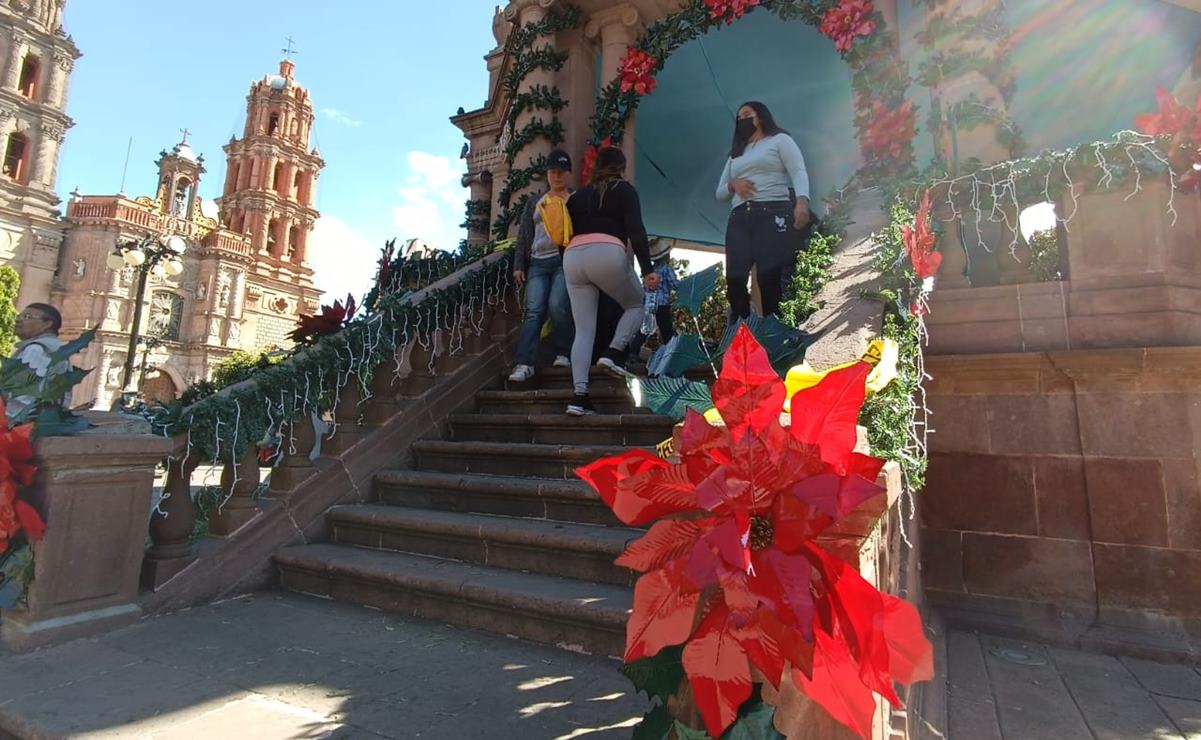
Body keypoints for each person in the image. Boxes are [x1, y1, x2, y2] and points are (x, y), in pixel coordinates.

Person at [563, 147, 658, 416]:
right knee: (637, 304)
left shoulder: (575, 197)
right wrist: (648, 269)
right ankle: (614, 353)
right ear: (621, 167)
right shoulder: (624, 190)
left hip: (572, 258)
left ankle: (579, 396)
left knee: (583, 331)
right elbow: (636, 231)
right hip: (606, 252)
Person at [716, 101, 811, 319]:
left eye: (747, 114)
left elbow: (798, 171)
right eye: (739, 118)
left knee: (768, 276)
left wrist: (802, 203)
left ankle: (772, 330)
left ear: (760, 117)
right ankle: (743, 329)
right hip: (739, 217)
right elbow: (720, 193)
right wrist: (733, 184)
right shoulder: (735, 155)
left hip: (772, 212)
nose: (742, 120)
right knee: (734, 278)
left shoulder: (780, 140)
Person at [508, 149, 576, 382]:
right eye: (552, 172)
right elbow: (524, 235)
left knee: (558, 305)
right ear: (547, 175)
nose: (556, 176)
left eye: (561, 172)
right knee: (534, 310)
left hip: (564, 260)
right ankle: (524, 363)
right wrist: (519, 264)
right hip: (537, 261)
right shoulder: (535, 202)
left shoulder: (575, 198)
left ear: (568, 174)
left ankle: (564, 352)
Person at [6, 303, 67, 422]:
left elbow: (24, 394)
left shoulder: (37, 350)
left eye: (27, 317)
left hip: (23, 424)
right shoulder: (52, 349)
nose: (18, 320)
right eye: (19, 316)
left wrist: (7, 420)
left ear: (47, 324)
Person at [628, 237, 678, 360]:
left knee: (645, 329)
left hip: (649, 304)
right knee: (667, 331)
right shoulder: (666, 269)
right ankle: (671, 356)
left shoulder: (649, 271)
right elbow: (675, 284)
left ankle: (633, 352)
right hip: (662, 305)